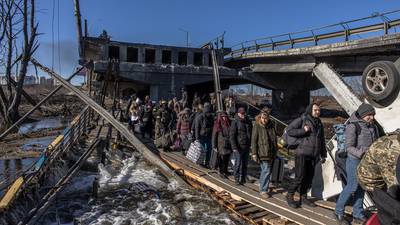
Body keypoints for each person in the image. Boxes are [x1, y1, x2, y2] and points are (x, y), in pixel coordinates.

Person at [334, 103, 379, 225]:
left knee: (361, 187)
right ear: (363, 114)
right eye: (369, 115)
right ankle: (338, 211)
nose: (372, 117)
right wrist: (361, 153)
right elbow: (349, 147)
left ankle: (357, 214)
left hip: (367, 162)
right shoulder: (353, 126)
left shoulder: (372, 126)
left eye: (373, 115)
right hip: (354, 160)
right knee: (352, 186)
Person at [285, 102, 327, 208]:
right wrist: (303, 130)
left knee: (309, 177)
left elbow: (321, 140)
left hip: (314, 155)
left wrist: (323, 154)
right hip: (302, 153)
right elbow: (289, 130)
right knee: (299, 177)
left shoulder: (319, 123)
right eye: (315, 110)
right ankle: (289, 195)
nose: (318, 112)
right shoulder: (303, 119)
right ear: (310, 111)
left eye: (318, 110)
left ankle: (303, 197)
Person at [251, 108, 277, 198]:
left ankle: (262, 186)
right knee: (267, 171)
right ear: (260, 117)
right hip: (262, 152)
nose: (264, 120)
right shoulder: (257, 125)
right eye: (262, 118)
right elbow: (254, 140)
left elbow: (274, 139)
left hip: (270, 152)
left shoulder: (271, 125)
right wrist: (254, 153)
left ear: (269, 117)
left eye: (266, 118)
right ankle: (263, 190)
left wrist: (276, 150)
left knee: (264, 171)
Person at [230, 107, 252, 185]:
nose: (243, 115)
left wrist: (251, 144)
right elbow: (232, 136)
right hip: (238, 147)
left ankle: (243, 178)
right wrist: (234, 147)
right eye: (242, 113)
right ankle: (236, 178)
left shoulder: (248, 121)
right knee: (238, 163)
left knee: (245, 164)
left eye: (244, 113)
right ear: (238, 113)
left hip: (246, 146)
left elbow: (250, 133)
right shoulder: (235, 122)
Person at [212, 111, 231, 178]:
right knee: (221, 158)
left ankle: (225, 170)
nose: (224, 118)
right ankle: (221, 171)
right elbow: (214, 135)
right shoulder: (217, 124)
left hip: (228, 143)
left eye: (225, 117)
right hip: (221, 144)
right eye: (223, 117)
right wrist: (214, 145)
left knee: (227, 158)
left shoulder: (229, 123)